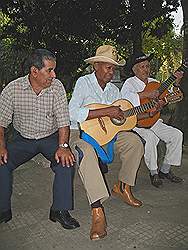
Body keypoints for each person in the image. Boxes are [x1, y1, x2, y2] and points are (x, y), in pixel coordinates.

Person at [69, 45, 144, 240]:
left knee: (134, 142)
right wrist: (105, 112)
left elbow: (119, 118)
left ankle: (123, 187)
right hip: (80, 132)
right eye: (108, 67)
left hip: (106, 135)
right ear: (96, 65)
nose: (112, 72)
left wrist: (143, 112)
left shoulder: (113, 90)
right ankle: (97, 209)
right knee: (86, 153)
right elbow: (72, 112)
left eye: (114, 68)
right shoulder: (83, 83)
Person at [0, 49, 80, 230]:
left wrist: (64, 146)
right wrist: (1, 146)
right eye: (49, 70)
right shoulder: (13, 88)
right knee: (1, 162)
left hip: (49, 137)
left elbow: (63, 121)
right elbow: (1, 122)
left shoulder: (56, 86)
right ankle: (3, 209)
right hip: (23, 139)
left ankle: (59, 210)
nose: (54, 75)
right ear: (34, 71)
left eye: (54, 70)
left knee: (66, 162)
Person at [121, 51, 184, 188]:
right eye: (142, 67)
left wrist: (176, 82)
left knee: (176, 135)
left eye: (147, 66)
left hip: (154, 121)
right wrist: (146, 94)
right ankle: (153, 172)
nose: (146, 69)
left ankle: (165, 170)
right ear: (134, 69)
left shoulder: (154, 82)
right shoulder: (129, 83)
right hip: (136, 123)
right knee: (151, 138)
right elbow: (125, 100)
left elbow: (171, 94)